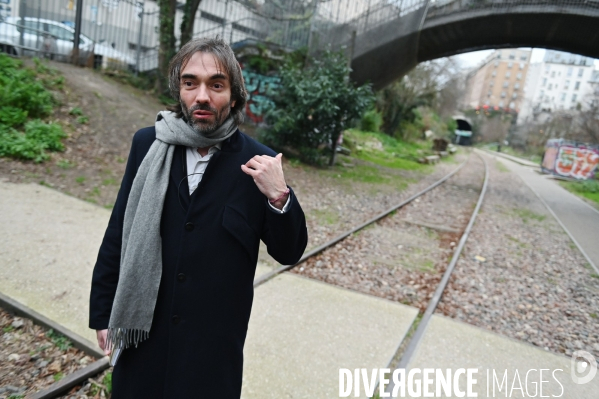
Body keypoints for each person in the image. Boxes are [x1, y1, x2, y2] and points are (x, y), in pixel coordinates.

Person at [89, 37, 308, 398]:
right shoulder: (147, 145)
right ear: (179, 89)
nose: (201, 96)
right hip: (145, 338)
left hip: (211, 354)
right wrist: (103, 311)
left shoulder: (258, 164)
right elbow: (119, 229)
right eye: (190, 83)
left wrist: (279, 195)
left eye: (216, 85)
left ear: (234, 96)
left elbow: (289, 251)